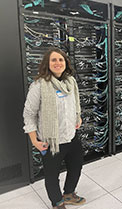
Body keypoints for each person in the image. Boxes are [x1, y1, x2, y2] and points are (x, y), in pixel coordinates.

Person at [23, 48, 86, 209]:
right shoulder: (38, 85)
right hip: (50, 141)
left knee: (76, 167)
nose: (58, 63)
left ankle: (69, 194)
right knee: (52, 175)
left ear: (66, 63)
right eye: (54, 60)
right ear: (47, 63)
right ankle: (57, 202)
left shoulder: (70, 82)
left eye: (61, 60)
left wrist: (77, 116)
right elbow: (29, 114)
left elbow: (75, 105)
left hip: (71, 136)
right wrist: (34, 141)